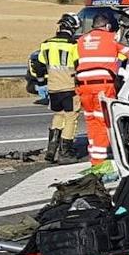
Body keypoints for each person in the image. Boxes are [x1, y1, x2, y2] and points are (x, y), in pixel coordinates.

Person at [74, 13, 129, 168]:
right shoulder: (112, 38)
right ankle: (103, 160)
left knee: (91, 121)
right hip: (103, 85)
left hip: (84, 86)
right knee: (104, 121)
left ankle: (95, 159)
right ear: (107, 26)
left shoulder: (81, 40)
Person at [38, 13, 82, 163]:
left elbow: (40, 63)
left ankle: (51, 149)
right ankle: (65, 152)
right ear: (73, 27)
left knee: (58, 115)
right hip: (69, 87)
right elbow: (79, 65)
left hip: (53, 88)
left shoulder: (46, 44)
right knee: (71, 118)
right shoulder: (73, 45)